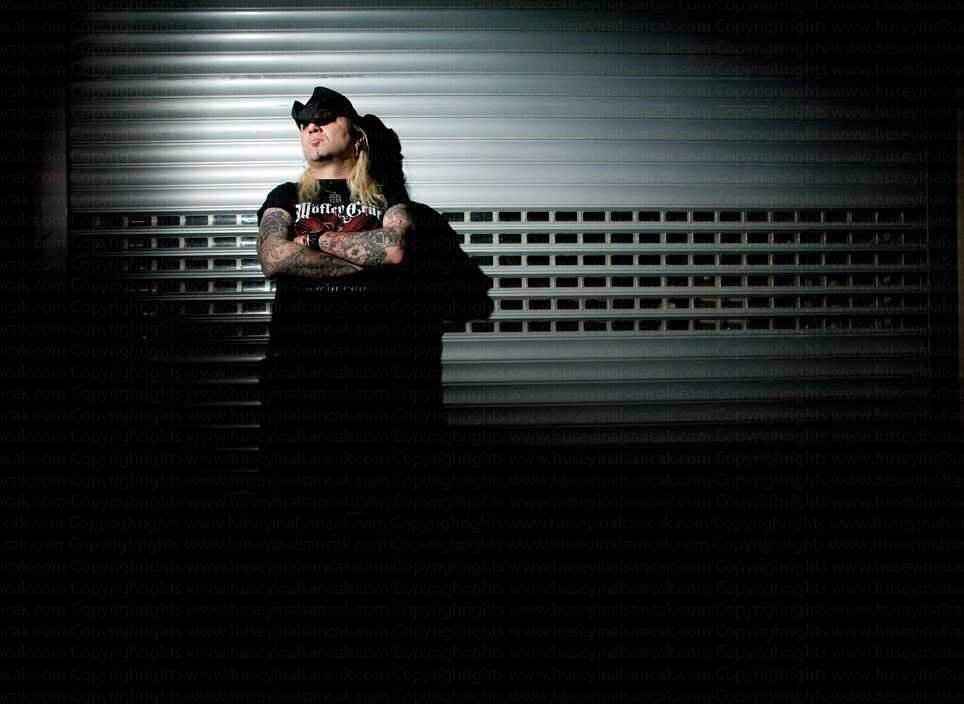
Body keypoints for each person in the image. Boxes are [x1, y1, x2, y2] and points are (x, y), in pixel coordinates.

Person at [256, 87, 492, 468]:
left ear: (358, 135)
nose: (311, 126)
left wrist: (313, 241)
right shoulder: (285, 197)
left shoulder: (388, 199)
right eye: (303, 123)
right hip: (298, 386)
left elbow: (394, 249)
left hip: (381, 390)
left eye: (325, 118)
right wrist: (369, 255)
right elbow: (273, 258)